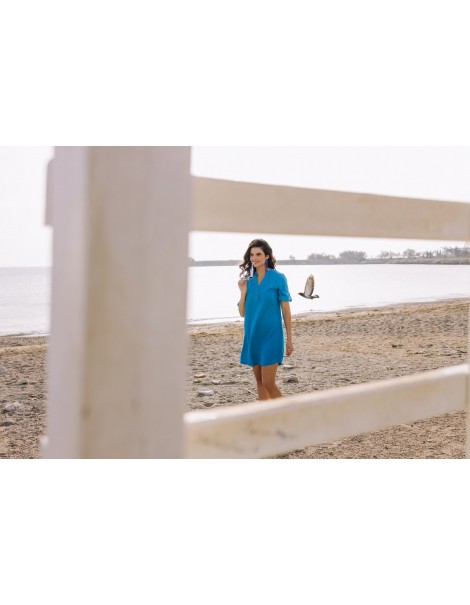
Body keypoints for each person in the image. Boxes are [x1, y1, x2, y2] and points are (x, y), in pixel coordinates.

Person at [238, 238, 293, 400]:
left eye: (258, 254)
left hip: (271, 336)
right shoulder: (248, 282)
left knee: (269, 382)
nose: (254, 258)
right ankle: (265, 419)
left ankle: (288, 413)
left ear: (267, 256)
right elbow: (242, 313)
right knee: (259, 381)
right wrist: (242, 292)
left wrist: (289, 339)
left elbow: (286, 311)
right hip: (252, 335)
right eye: (252, 254)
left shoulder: (278, 278)